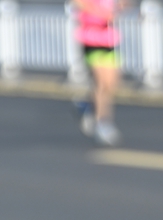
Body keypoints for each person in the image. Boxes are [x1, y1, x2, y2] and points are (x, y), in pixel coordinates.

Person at [73, 0, 122, 146]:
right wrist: (101, 13)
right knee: (101, 83)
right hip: (91, 36)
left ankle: (88, 106)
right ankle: (103, 122)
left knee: (112, 84)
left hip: (107, 38)